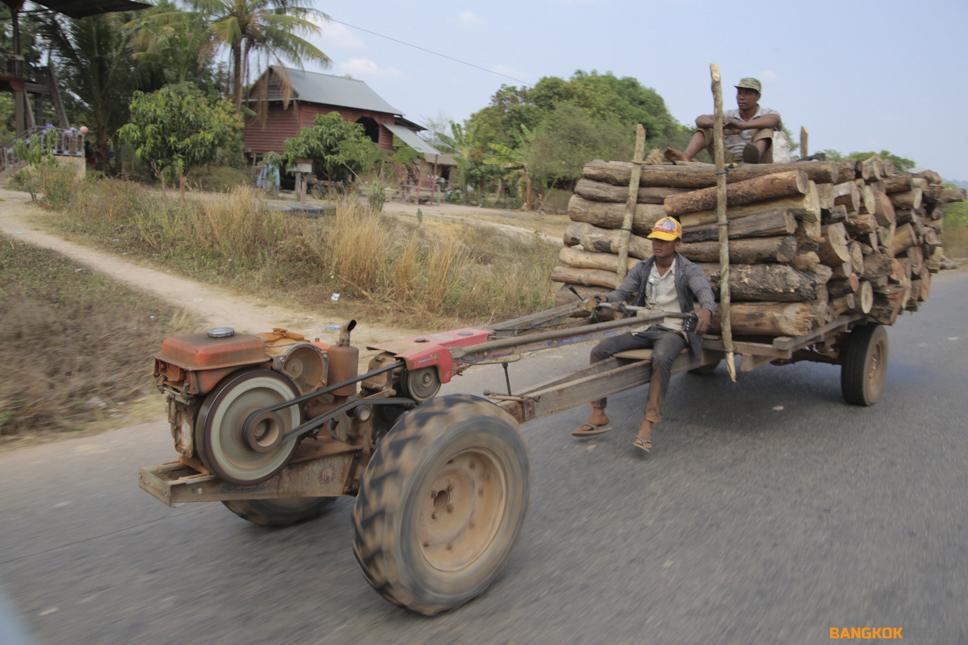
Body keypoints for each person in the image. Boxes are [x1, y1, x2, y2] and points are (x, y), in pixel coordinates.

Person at [570, 216, 716, 454]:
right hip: (644, 328)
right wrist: (603, 299)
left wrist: (706, 309)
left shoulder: (688, 269)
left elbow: (703, 290)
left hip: (673, 329)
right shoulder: (643, 268)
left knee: (660, 359)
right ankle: (598, 413)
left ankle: (648, 423)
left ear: (677, 244)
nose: (658, 245)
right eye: (655, 240)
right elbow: (622, 292)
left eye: (665, 241)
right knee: (599, 350)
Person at [665, 77, 782, 164]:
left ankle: (752, 157)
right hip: (729, 161)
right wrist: (718, 124)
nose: (741, 97)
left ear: (758, 97)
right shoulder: (728, 115)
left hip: (758, 162)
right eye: (739, 93)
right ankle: (686, 156)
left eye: (747, 94)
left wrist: (742, 126)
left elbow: (774, 120)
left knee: (765, 128)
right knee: (707, 128)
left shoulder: (767, 113)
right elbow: (700, 119)